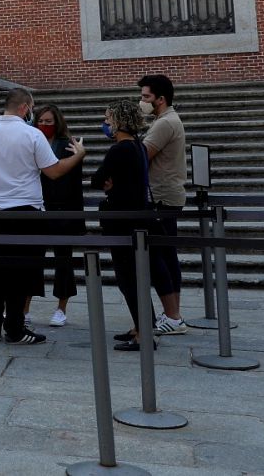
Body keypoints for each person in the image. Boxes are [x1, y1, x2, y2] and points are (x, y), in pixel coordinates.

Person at [0, 88, 85, 345]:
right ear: (25, 107)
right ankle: (15, 327)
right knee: (20, 271)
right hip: (24, 210)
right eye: (31, 108)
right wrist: (78, 156)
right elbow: (54, 171)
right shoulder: (31, 134)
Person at [93, 99, 157, 352]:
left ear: (118, 121)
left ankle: (143, 333)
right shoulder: (138, 146)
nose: (106, 124)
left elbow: (97, 179)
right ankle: (142, 326)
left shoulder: (119, 149)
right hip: (137, 216)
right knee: (135, 276)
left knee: (128, 278)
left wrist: (107, 184)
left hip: (122, 220)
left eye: (108, 119)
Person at [139, 74, 187, 336]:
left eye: (146, 97)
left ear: (161, 98)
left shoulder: (165, 123)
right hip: (166, 195)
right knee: (167, 256)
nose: (142, 101)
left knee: (161, 259)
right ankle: (173, 314)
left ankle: (173, 316)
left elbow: (141, 156)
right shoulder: (164, 120)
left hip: (161, 197)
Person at [29, 104, 85, 328]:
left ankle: (61, 309)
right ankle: (24, 308)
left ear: (57, 122)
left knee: (64, 260)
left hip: (63, 208)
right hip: (38, 207)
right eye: (41, 121)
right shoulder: (31, 141)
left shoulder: (67, 145)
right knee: (33, 260)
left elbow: (75, 182)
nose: (44, 125)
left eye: (49, 121)